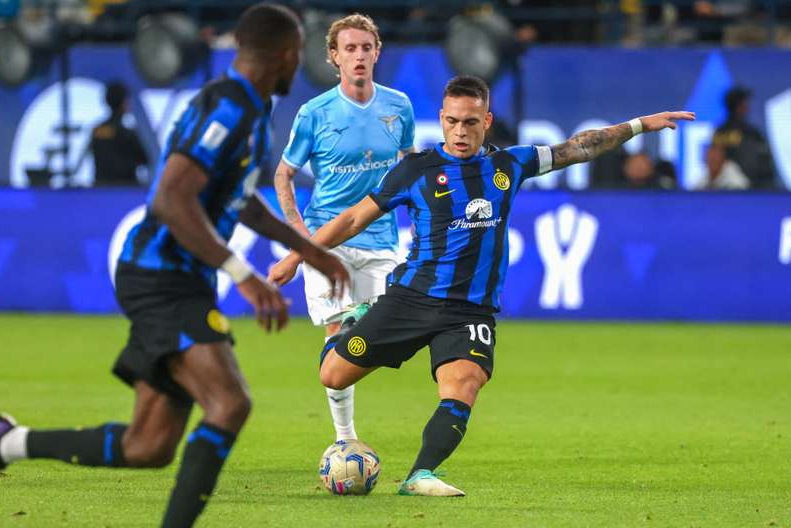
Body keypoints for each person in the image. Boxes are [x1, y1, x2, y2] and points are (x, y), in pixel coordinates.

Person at [0, 5, 349, 528]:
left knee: (149, 446)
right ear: (288, 54)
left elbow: (239, 201)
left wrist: (308, 249)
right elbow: (171, 199)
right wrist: (243, 273)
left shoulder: (250, 109)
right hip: (162, 274)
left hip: (177, 278)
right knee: (229, 404)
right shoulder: (228, 105)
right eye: (301, 52)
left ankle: (5, 442)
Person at [270, 74, 694, 497]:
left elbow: (580, 147)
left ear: (486, 120)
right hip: (411, 300)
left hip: (469, 311)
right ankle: (353, 322)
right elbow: (350, 219)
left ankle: (420, 475)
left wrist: (639, 124)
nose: (460, 132)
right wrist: (296, 255)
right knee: (333, 376)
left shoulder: (510, 164)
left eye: (470, 122)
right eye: (452, 121)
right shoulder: (415, 170)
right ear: (441, 118)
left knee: (464, 384)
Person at [273, 13, 415, 443]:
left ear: (377, 53)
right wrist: (298, 235)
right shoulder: (315, 113)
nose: (358, 56)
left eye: (365, 48)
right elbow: (283, 175)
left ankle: (363, 316)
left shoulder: (399, 106)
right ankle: (345, 441)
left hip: (381, 240)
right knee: (339, 339)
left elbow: (409, 172)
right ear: (334, 57)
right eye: (349, 49)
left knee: (385, 337)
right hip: (325, 241)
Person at [712, 85, 775, 189]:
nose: (748, 105)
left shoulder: (720, 131)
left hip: (732, 190)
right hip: (746, 189)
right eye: (745, 102)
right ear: (738, 106)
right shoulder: (749, 133)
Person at [90, 81, 150, 185]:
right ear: (124, 103)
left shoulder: (97, 130)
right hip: (124, 190)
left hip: (100, 189)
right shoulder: (127, 133)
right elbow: (144, 159)